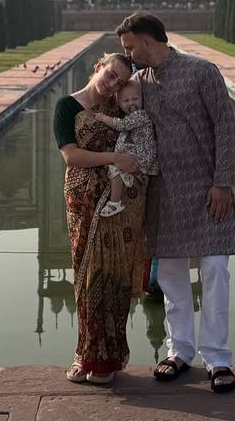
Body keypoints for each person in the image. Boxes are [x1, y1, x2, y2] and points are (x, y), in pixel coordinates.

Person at [116, 12, 235, 394]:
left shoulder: (202, 71)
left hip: (206, 189)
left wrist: (222, 183)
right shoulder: (139, 83)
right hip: (165, 193)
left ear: (149, 41)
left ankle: (218, 358)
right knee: (170, 276)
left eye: (131, 47)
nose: (129, 55)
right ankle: (180, 351)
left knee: (215, 270)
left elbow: (225, 125)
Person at [53, 52, 145, 385]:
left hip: (117, 202)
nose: (113, 84)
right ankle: (85, 355)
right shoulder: (67, 107)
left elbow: (141, 132)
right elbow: (72, 156)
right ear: (99, 66)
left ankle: (107, 361)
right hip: (83, 199)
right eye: (110, 75)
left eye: (120, 81)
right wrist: (116, 157)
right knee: (85, 276)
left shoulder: (117, 108)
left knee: (113, 277)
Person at [93, 77, 158, 217]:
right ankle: (126, 177)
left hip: (142, 156)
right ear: (119, 103)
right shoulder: (131, 116)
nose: (131, 103)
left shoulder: (139, 115)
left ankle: (115, 202)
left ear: (142, 99)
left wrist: (103, 118)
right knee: (116, 165)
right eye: (126, 101)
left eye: (135, 99)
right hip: (141, 156)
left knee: (114, 168)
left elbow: (122, 125)